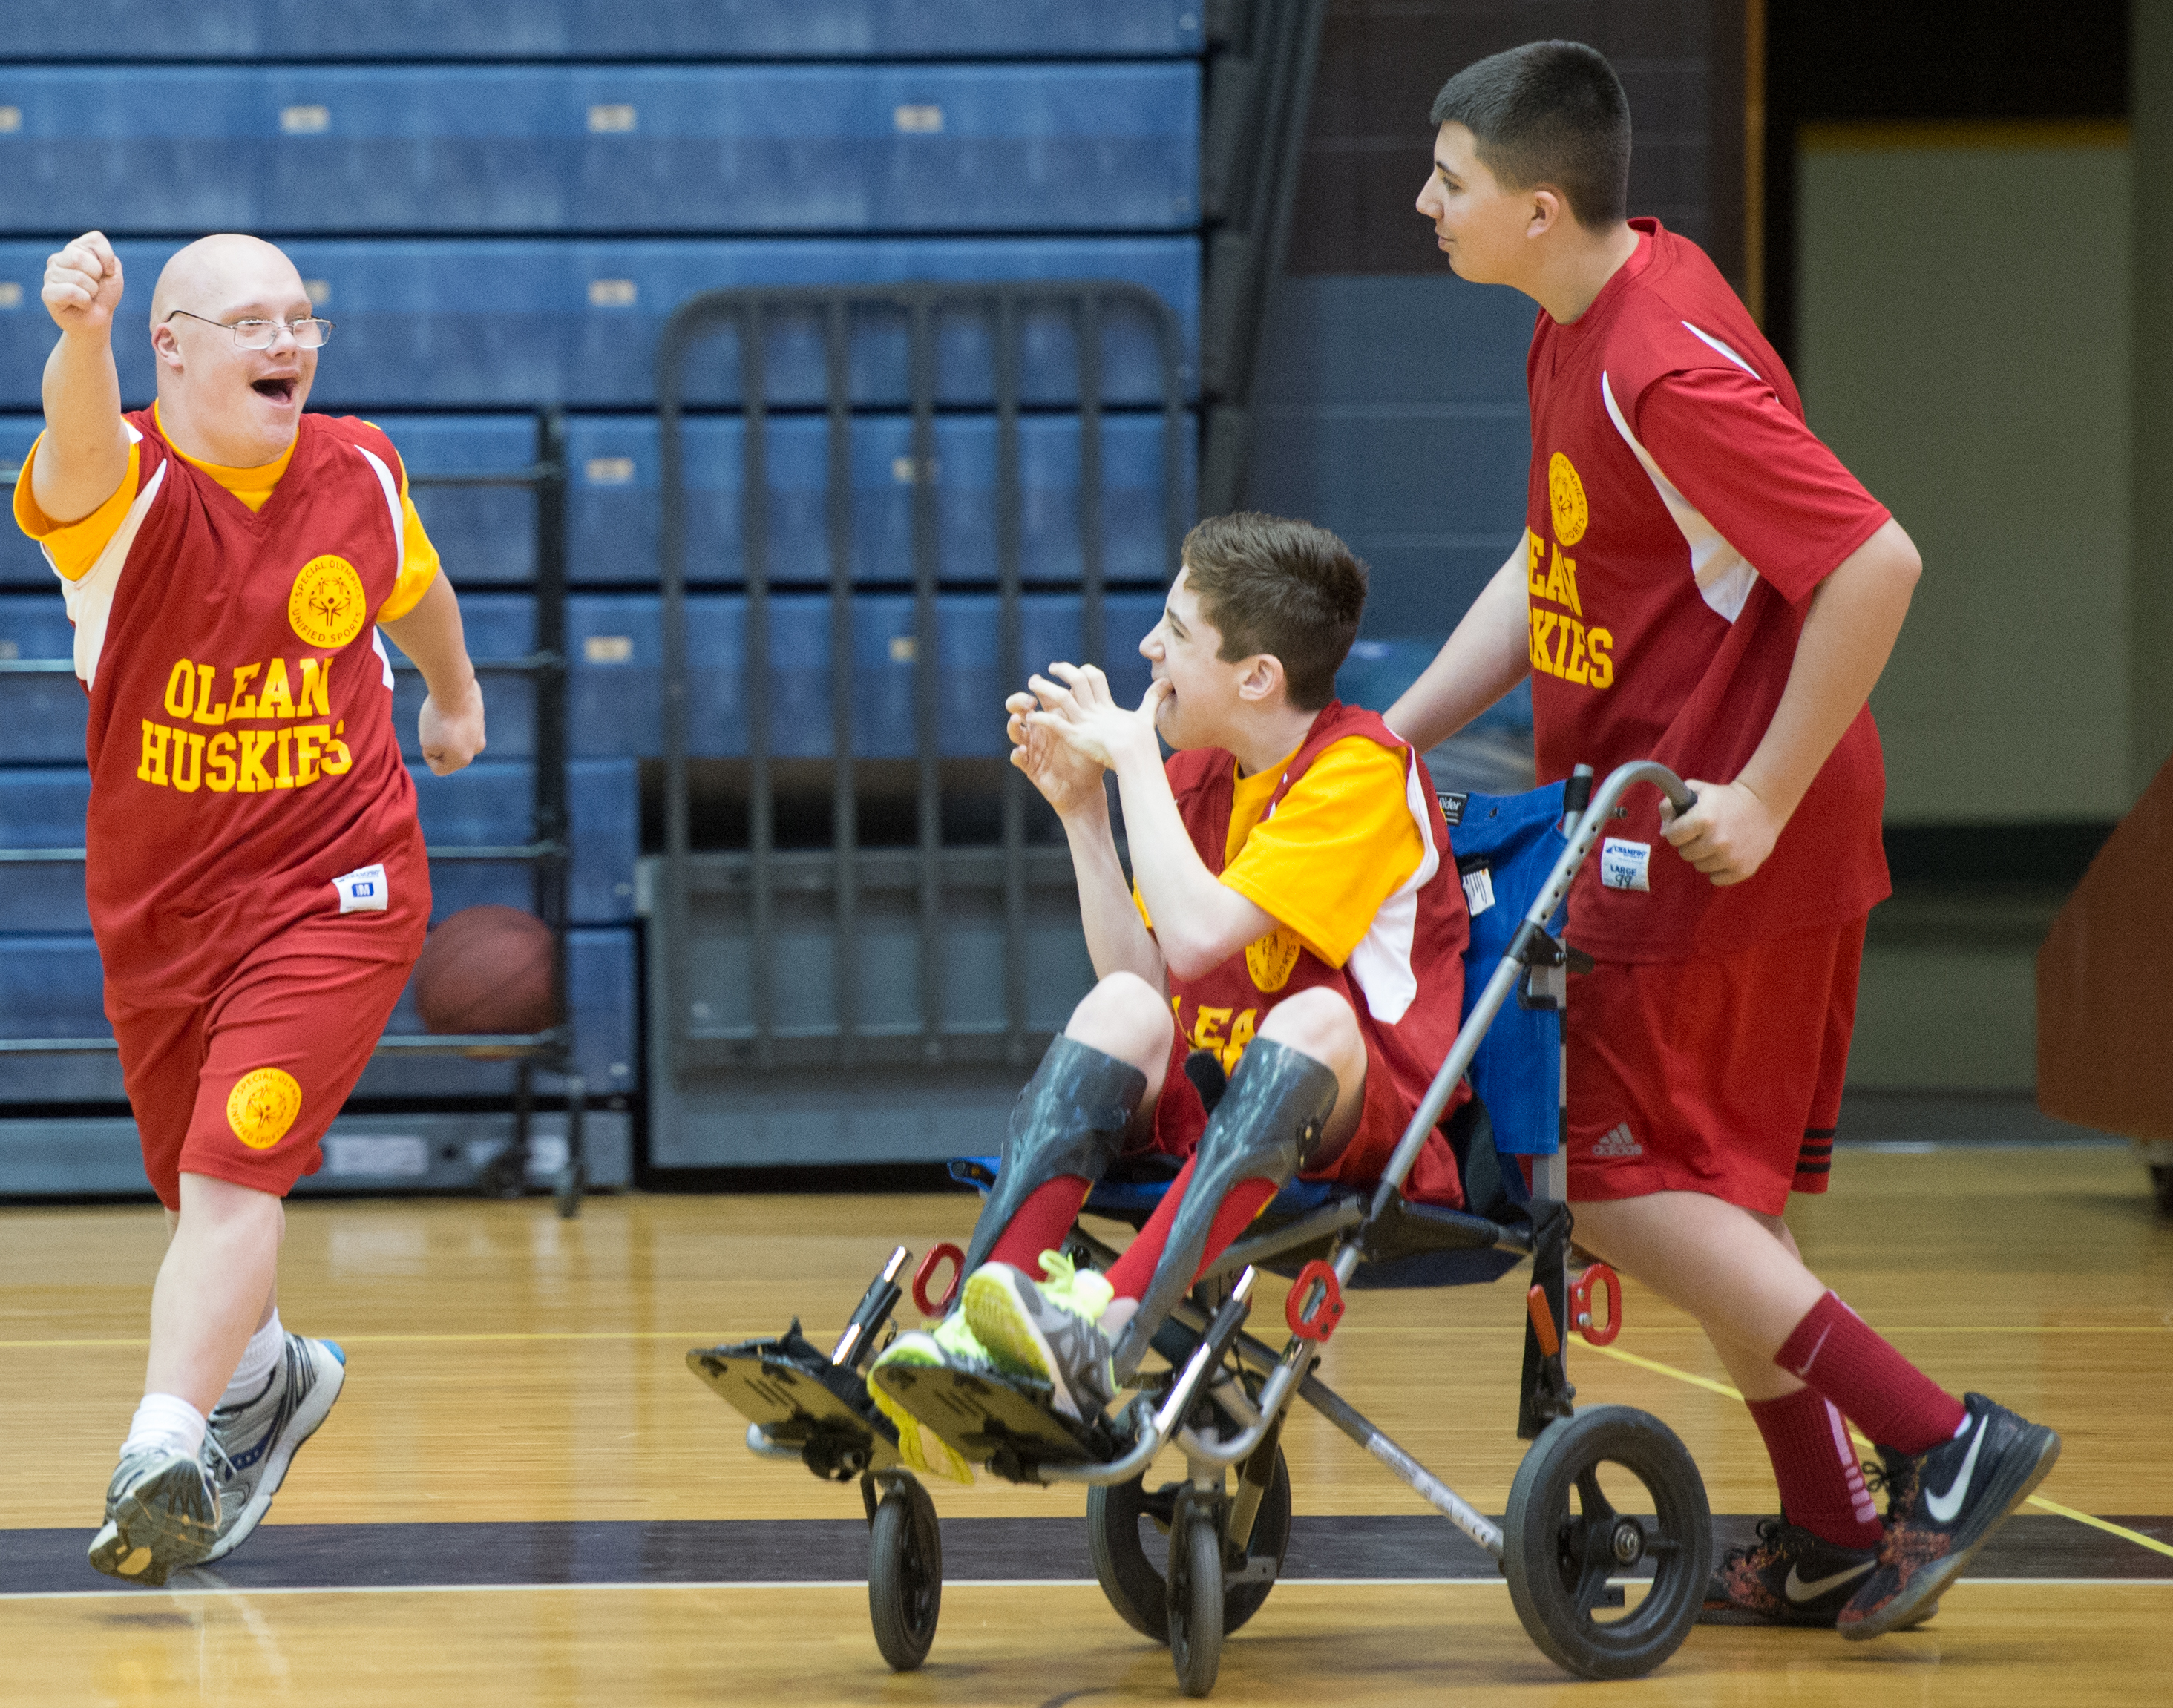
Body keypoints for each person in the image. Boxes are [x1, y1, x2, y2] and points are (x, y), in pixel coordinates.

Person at [1390, 42, 2057, 1638]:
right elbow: (1551, 546)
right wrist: (1394, 732)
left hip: (1717, 829)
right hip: (1672, 819)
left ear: (1537, 208)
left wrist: (1754, 791)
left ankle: (1941, 1436)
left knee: (1606, 1180)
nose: (1423, 200)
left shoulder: (1661, 357)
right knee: (1701, 1198)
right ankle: (1831, 1527)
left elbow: (1872, 562)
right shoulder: (1581, 321)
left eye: (1449, 180)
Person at [18, 230, 487, 1584]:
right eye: (250, 323)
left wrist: (453, 693)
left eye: (302, 320)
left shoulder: (360, 468)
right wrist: (78, 335)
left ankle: (161, 1445)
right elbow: (74, 439)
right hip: (163, 910)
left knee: (232, 1167)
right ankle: (269, 1377)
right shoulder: (124, 497)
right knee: (196, 1192)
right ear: (171, 348)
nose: (287, 342)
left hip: (341, 885)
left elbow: (420, 589)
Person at [865, 513, 1473, 1478]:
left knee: (1312, 1014)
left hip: (1363, 1117)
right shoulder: (1195, 772)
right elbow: (1149, 978)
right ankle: (983, 1336)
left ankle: (1102, 1334)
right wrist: (1082, 814)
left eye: (1176, 631)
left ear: (1257, 677)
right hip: (1220, 1099)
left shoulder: (1359, 771)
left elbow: (1197, 935)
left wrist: (1134, 761)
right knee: (1120, 1012)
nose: (1148, 648)